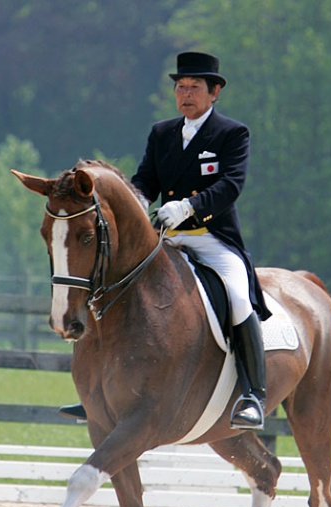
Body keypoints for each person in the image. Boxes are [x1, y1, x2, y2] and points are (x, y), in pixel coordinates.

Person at [61, 51, 271, 429]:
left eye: (194, 88)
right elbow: (146, 179)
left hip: (212, 237)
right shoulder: (162, 133)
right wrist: (138, 201)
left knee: (240, 298)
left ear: (215, 92)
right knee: (109, 287)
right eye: (180, 87)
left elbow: (230, 186)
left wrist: (189, 207)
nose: (185, 94)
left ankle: (253, 395)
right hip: (166, 237)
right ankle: (95, 392)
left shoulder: (231, 133)